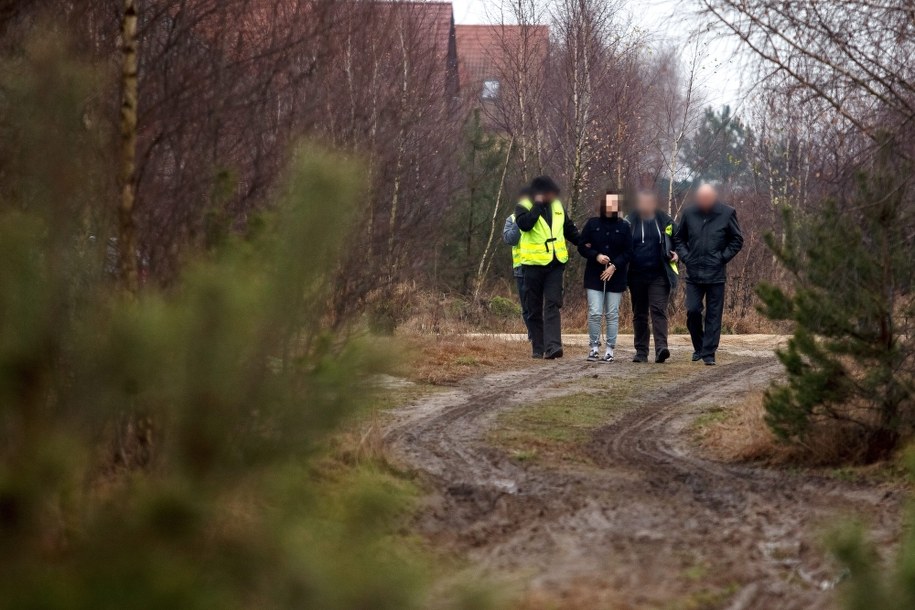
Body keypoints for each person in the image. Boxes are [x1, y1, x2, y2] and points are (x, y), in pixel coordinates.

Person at [675, 183, 744, 365]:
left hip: (716, 273)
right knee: (693, 311)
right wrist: (686, 257)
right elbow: (679, 238)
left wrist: (722, 257)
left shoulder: (727, 213)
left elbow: (737, 239)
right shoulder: (689, 213)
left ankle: (708, 353)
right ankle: (699, 346)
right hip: (693, 273)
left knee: (714, 315)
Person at [515, 175, 581, 359]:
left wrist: (584, 243)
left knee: (553, 303)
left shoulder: (558, 206)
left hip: (555, 264)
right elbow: (525, 225)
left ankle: (553, 347)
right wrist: (537, 205)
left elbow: (569, 229)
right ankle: (538, 347)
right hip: (532, 265)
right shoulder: (524, 206)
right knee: (534, 307)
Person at [578, 192, 632, 362]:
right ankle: (594, 346)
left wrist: (614, 266)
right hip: (594, 275)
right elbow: (582, 246)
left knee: (612, 313)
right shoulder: (592, 223)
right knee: (594, 312)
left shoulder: (624, 226)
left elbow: (629, 252)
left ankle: (610, 349)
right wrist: (596, 255)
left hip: (616, 276)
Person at [626, 191, 679, 363]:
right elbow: (618, 240)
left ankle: (661, 349)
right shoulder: (630, 220)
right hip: (635, 274)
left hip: (659, 274)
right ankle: (641, 352)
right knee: (639, 313)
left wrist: (678, 253)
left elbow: (680, 239)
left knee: (658, 310)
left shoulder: (664, 219)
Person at [502, 188, 534, 341]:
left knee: (539, 303)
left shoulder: (538, 216)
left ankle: (542, 335)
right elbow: (510, 239)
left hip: (538, 265)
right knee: (526, 306)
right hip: (520, 267)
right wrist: (520, 222)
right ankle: (533, 335)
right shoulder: (512, 219)